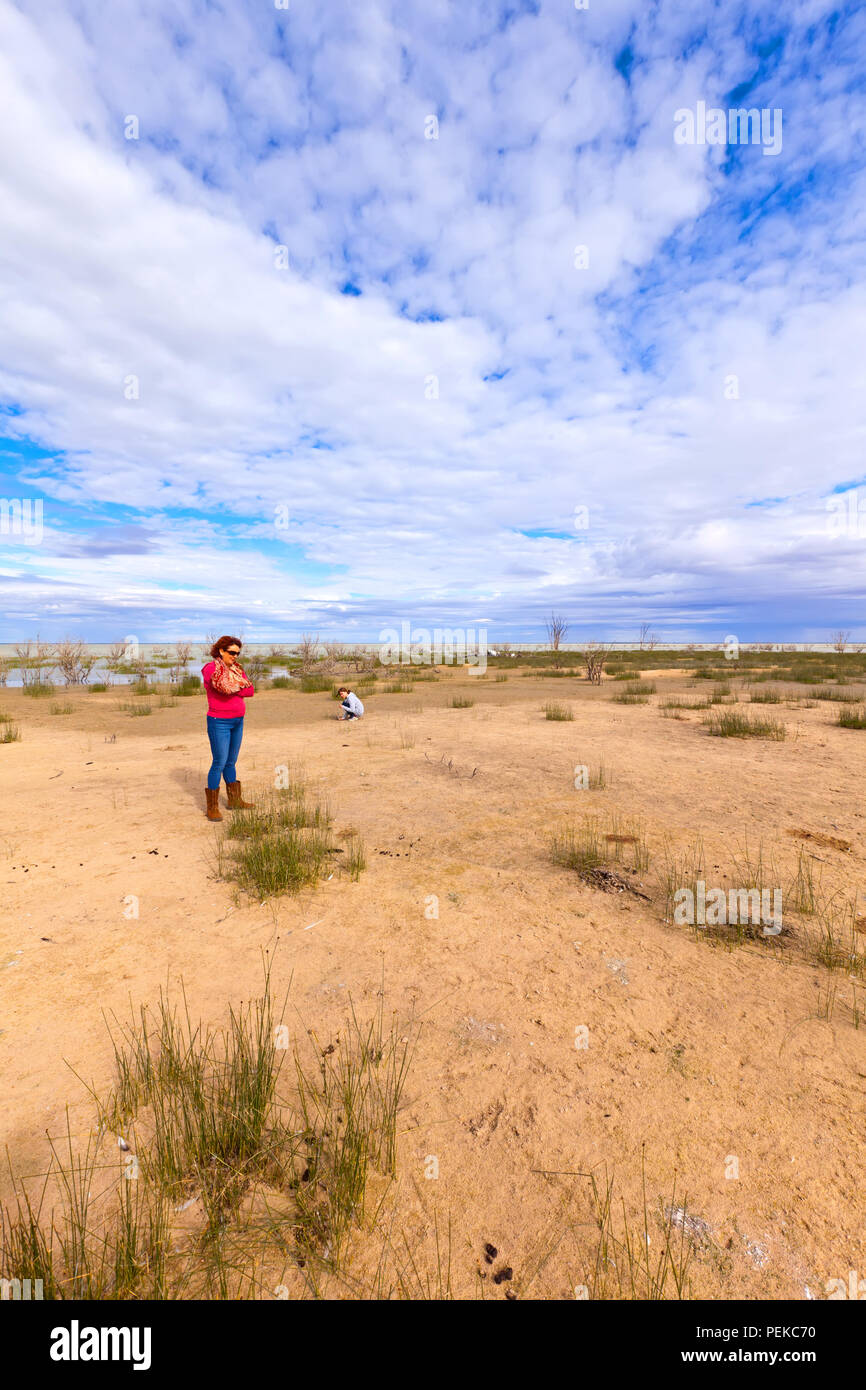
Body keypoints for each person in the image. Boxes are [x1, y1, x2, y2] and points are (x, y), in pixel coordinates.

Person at [201, 637, 255, 821]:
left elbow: (250, 690)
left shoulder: (237, 669)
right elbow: (222, 687)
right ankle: (212, 807)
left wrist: (237, 687)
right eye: (232, 652)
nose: (235, 656)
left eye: (238, 653)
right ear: (221, 651)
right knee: (219, 762)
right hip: (219, 721)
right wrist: (240, 686)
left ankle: (234, 800)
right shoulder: (211, 669)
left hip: (237, 721)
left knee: (231, 762)